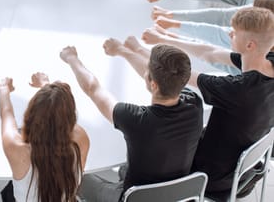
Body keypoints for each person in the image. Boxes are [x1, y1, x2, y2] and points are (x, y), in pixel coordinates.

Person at [149, 7, 274, 194]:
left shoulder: (238, 89)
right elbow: (211, 53)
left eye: (234, 33)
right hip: (245, 172)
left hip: (211, 177)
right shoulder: (268, 63)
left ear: (250, 45)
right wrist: (165, 39)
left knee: (159, 133)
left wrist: (132, 51)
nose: (230, 34)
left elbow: (178, 76)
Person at [60, 42, 203, 202]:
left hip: (134, 197)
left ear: (153, 84)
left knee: (79, 177)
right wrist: (123, 52)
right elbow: (163, 78)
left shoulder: (135, 119)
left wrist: (71, 58)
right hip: (176, 195)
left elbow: (93, 88)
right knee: (124, 168)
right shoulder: (195, 104)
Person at [0, 74, 90, 202]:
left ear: (31, 115)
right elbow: (60, 122)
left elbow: (6, 113)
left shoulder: (17, 149)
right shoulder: (81, 140)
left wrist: (4, 89)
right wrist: (48, 88)